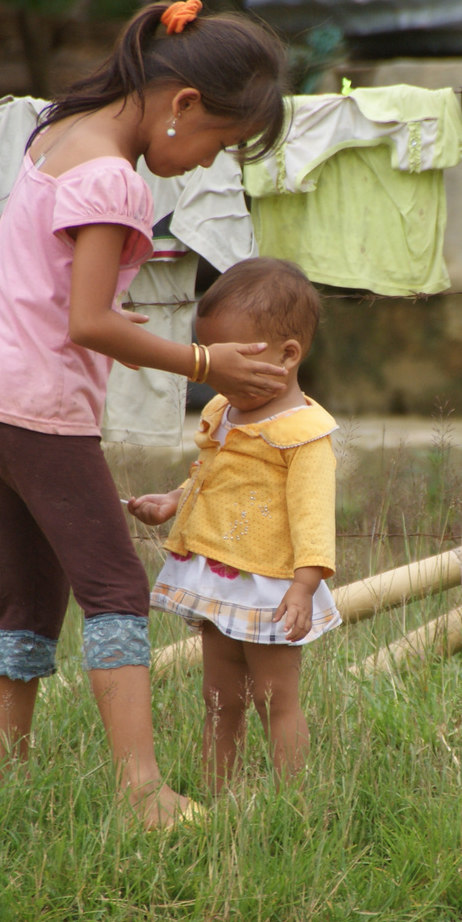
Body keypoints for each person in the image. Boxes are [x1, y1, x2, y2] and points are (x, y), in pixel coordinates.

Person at [0, 0, 289, 828]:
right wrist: (206, 362)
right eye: (220, 140)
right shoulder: (114, 178)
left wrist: (99, 317)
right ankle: (143, 793)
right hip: (40, 412)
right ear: (182, 105)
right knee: (112, 589)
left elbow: (21, 257)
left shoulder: (59, 134)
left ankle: (3, 782)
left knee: (28, 597)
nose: (212, 159)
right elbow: (88, 322)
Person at [127, 258, 339, 794]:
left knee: (275, 699)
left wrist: (305, 584)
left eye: (230, 364)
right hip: (218, 581)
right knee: (219, 699)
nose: (215, 378)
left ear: (289, 355)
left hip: (270, 586)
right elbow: (213, 473)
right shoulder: (226, 410)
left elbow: (315, 514)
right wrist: (174, 500)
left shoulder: (303, 432)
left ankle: (297, 808)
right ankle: (216, 797)